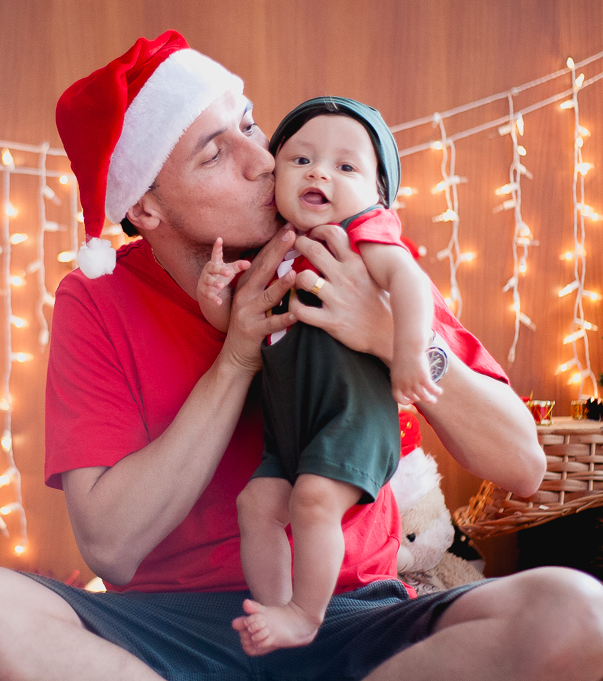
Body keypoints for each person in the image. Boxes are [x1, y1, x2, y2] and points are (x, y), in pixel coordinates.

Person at [0, 30, 603, 681]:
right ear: (149, 209)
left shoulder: (344, 249)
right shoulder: (97, 299)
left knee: (577, 611)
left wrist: (387, 335)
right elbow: (111, 547)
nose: (265, 159)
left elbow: (523, 465)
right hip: (167, 633)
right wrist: (236, 357)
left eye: (251, 123)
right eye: (214, 151)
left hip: (354, 614)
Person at [196, 96, 461, 656]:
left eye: (346, 167)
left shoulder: (367, 236)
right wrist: (216, 298)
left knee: (313, 503)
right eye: (301, 160)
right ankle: (276, 611)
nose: (319, 173)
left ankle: (304, 615)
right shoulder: (277, 249)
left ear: (379, 195)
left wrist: (408, 349)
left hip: (352, 421)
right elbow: (242, 324)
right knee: (257, 505)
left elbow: (410, 283)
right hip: (291, 428)